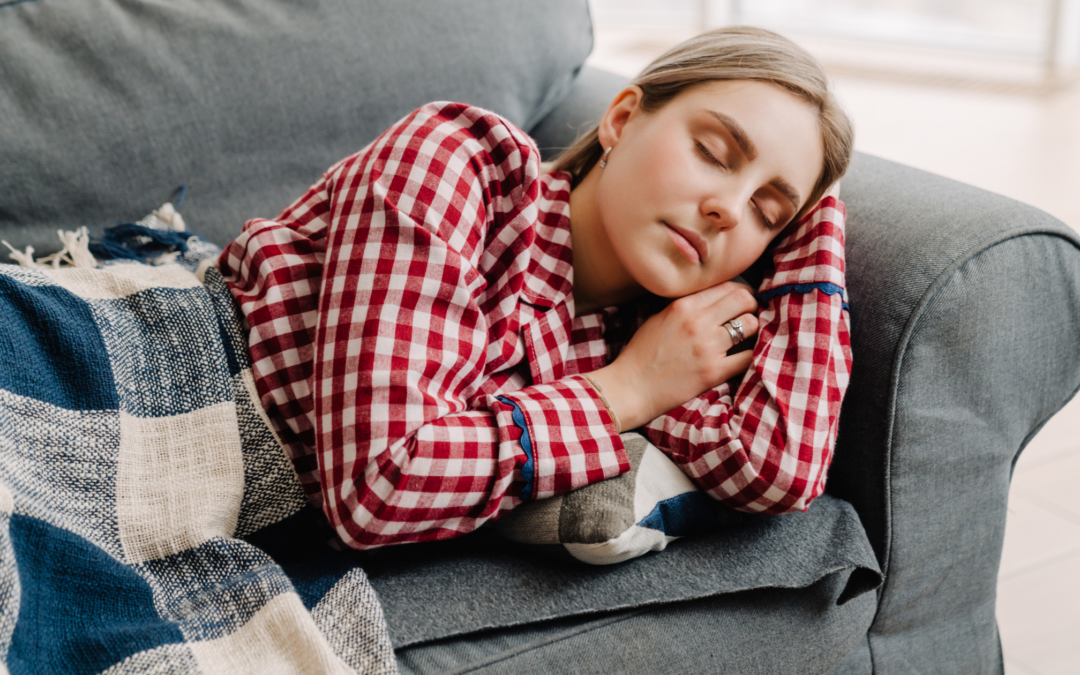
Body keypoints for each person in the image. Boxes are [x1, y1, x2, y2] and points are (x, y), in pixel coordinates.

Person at [218, 26, 854, 550]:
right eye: (713, 152)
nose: (728, 209)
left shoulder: (662, 342)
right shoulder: (459, 164)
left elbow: (775, 470)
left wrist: (815, 244)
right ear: (623, 119)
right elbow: (377, 487)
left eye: (768, 213)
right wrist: (626, 392)